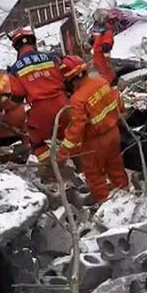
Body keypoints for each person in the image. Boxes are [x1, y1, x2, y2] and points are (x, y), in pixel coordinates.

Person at [57, 55, 129, 204]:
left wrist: (63, 152)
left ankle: (104, 205)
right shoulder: (101, 81)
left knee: (95, 176)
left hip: (95, 143)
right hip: (114, 133)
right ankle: (127, 199)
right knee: (116, 168)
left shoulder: (77, 99)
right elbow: (118, 100)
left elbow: (77, 127)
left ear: (69, 79)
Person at [8, 28, 69, 164]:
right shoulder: (52, 58)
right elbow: (67, 79)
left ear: (16, 47)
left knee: (36, 140)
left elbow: (17, 98)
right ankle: (80, 168)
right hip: (64, 104)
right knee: (70, 137)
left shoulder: (15, 69)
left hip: (41, 111)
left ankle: (52, 169)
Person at [86, 11, 117, 85]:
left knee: (102, 73)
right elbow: (105, 45)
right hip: (100, 56)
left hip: (98, 55)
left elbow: (92, 41)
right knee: (106, 73)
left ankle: (107, 87)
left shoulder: (101, 30)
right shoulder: (106, 31)